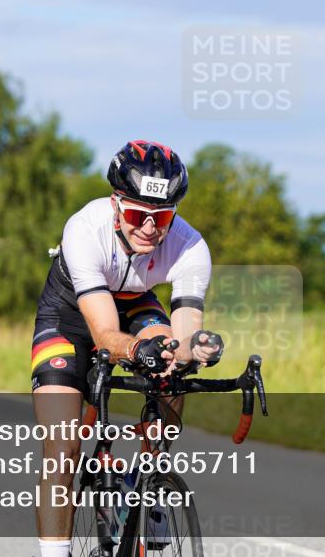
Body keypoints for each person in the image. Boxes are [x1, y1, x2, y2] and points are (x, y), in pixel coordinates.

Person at [32, 140, 223, 557]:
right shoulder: (85, 229)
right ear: (116, 205)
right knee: (62, 448)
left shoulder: (190, 246)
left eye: (163, 218)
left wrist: (196, 348)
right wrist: (137, 352)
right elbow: (103, 334)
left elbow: (185, 330)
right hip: (69, 315)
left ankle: (148, 482)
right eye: (138, 215)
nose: (151, 229)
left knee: (172, 362)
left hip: (135, 302)